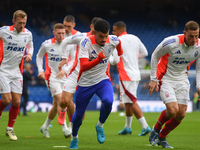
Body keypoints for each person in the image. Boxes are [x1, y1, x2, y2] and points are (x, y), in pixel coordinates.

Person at [69, 19, 123, 149]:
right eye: (100, 36)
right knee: (78, 115)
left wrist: (116, 56)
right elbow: (83, 66)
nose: (104, 39)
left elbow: (119, 50)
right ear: (94, 32)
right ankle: (74, 137)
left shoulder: (114, 40)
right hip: (85, 82)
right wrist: (99, 58)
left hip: (102, 80)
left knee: (109, 101)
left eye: (106, 36)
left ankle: (99, 126)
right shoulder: (85, 42)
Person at [148, 21, 200, 149]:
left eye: (196, 36)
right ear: (184, 33)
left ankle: (162, 137)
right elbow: (155, 55)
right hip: (165, 78)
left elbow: (198, 69)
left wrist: (199, 86)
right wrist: (153, 78)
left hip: (182, 80)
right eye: (191, 36)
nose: (194, 40)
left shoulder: (199, 46)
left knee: (181, 113)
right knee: (172, 110)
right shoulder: (170, 42)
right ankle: (156, 128)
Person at [57, 17, 102, 134]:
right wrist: (64, 58)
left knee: (81, 109)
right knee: (63, 101)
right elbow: (65, 41)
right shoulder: (82, 37)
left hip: (88, 78)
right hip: (75, 73)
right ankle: (62, 111)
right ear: (91, 27)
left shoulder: (103, 42)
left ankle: (73, 129)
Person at [112, 21, 151, 136]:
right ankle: (127, 127)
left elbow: (115, 60)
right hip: (135, 73)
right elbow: (145, 52)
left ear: (119, 30)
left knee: (132, 101)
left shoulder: (117, 41)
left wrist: (106, 59)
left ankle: (145, 127)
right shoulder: (135, 38)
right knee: (127, 102)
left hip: (126, 74)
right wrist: (134, 57)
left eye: (114, 30)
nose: (113, 33)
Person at [0, 10, 34, 141]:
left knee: (17, 101)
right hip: (3, 70)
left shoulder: (28, 34)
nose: (22, 25)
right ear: (13, 21)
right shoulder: (4, 31)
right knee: (7, 100)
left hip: (17, 72)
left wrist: (29, 54)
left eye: (24, 23)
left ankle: (10, 129)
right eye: (19, 23)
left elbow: (30, 46)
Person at [36, 23, 71, 138]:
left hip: (65, 76)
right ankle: (65, 128)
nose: (61, 35)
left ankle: (45, 127)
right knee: (62, 100)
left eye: (62, 33)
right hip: (52, 77)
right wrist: (40, 70)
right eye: (58, 33)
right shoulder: (47, 44)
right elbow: (39, 56)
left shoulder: (68, 44)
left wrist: (64, 70)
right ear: (54, 33)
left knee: (56, 104)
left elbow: (71, 60)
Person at [57, 15, 81, 132]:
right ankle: (63, 112)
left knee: (70, 101)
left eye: (68, 26)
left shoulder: (78, 37)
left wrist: (64, 69)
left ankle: (72, 126)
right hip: (62, 72)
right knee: (63, 101)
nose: (65, 29)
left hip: (73, 72)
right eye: (64, 25)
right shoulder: (61, 35)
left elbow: (75, 59)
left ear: (74, 25)